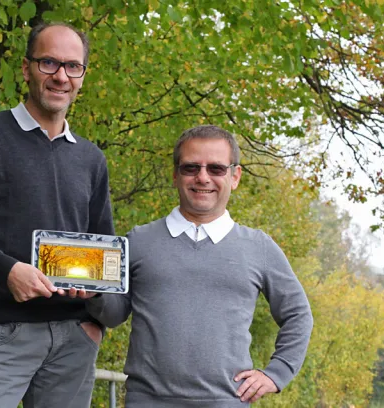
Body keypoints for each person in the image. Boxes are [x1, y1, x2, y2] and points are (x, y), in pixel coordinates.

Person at [0, 22, 114, 408]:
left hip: (74, 338)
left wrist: (95, 317)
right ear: (26, 68)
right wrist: (7, 270)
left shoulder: (91, 159)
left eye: (72, 66)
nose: (60, 76)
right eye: (49, 62)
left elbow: (105, 252)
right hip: (0, 330)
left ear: (82, 76)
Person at [83, 125, 313, 407]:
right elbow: (114, 314)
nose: (202, 177)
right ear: (175, 174)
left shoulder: (259, 247)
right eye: (191, 167)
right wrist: (94, 294)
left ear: (235, 176)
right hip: (147, 401)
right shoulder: (137, 241)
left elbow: (298, 314)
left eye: (216, 169)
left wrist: (277, 374)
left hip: (228, 401)